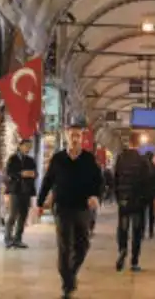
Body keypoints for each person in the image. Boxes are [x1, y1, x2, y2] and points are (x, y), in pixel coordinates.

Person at [37, 123, 102, 299]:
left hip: (82, 208)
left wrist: (96, 195)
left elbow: (99, 181)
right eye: (72, 135)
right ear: (66, 136)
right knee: (65, 246)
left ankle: (70, 274)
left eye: (78, 136)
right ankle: (67, 285)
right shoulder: (58, 158)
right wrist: (39, 203)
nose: (74, 139)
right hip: (63, 208)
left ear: (82, 138)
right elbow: (48, 180)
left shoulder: (88, 159)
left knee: (82, 245)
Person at [114, 131, 150, 272]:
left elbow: (115, 178)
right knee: (136, 231)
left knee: (123, 229)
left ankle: (122, 249)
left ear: (129, 142)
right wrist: (146, 199)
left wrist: (118, 197)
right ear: (139, 144)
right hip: (138, 202)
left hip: (123, 200)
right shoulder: (142, 160)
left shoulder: (121, 158)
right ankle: (134, 261)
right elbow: (146, 181)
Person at [4, 138, 37, 249]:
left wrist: (32, 174)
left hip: (26, 191)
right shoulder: (13, 159)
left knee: (23, 215)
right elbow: (9, 173)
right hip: (15, 190)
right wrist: (21, 174)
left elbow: (35, 173)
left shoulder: (30, 160)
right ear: (20, 146)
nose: (28, 148)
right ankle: (8, 239)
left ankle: (18, 239)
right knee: (13, 214)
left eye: (29, 147)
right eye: (26, 146)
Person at [144, 151, 155, 239]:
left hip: (143, 194)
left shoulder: (142, 168)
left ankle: (142, 230)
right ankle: (151, 230)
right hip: (152, 194)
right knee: (151, 213)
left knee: (142, 212)